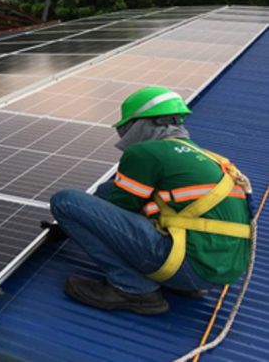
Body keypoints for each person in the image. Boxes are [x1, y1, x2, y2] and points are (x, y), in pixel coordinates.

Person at [50, 86, 252, 315]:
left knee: (65, 202)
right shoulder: (201, 155)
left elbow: (118, 208)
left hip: (188, 266)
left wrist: (71, 224)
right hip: (216, 270)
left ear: (141, 124)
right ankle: (180, 284)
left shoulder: (146, 152)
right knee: (110, 189)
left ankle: (133, 288)